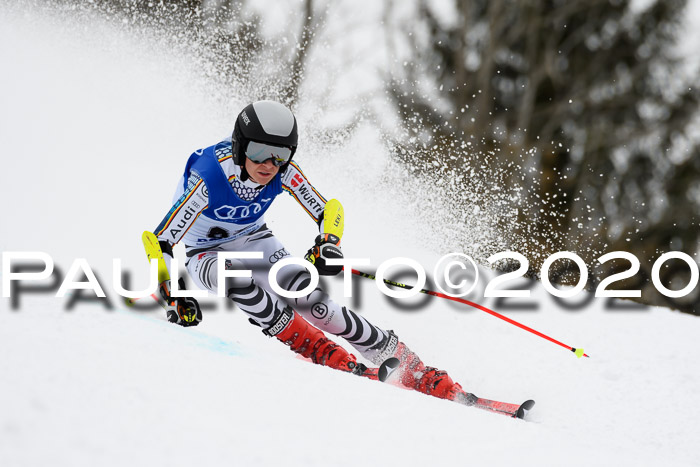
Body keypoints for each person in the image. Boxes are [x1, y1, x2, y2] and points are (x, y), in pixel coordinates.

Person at [151, 100, 463, 400]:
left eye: (280, 154)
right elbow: (160, 240)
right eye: (259, 152)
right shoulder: (209, 177)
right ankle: (321, 350)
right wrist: (171, 293)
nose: (269, 165)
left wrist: (328, 243)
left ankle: (412, 368)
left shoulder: (284, 172)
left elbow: (330, 209)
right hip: (205, 251)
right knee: (236, 279)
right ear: (240, 146)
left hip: (255, 238)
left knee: (310, 299)